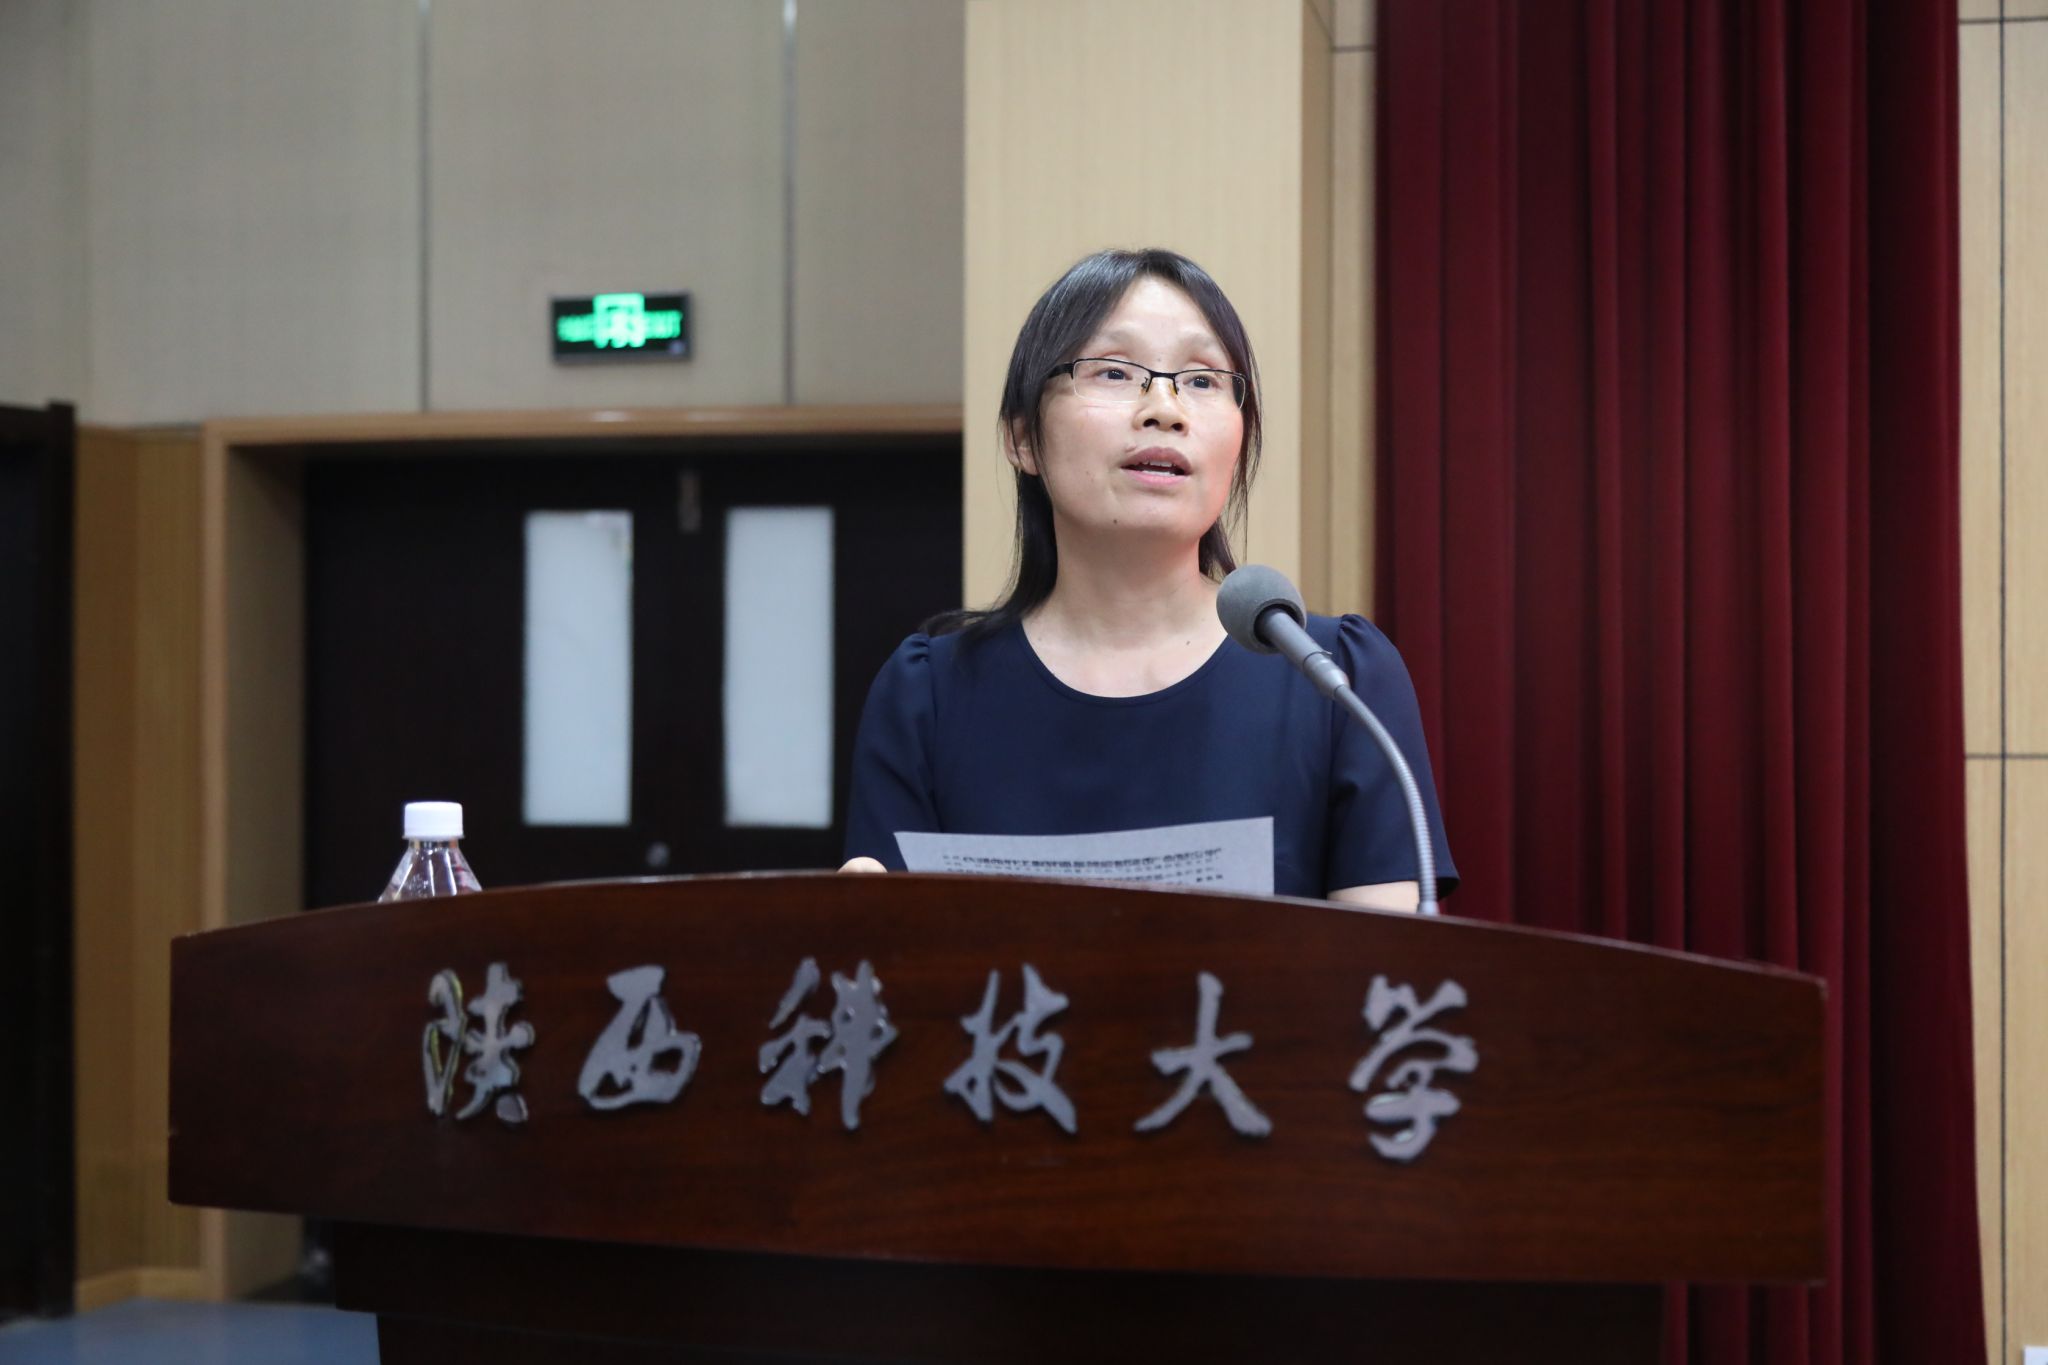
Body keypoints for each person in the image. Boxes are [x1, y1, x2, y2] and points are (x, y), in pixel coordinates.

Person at [839, 248, 1455, 910]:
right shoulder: (927, 695)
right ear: (1023, 439)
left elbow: (1380, 969)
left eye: (1203, 380)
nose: (1165, 408)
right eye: (1114, 370)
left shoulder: (1338, 681)